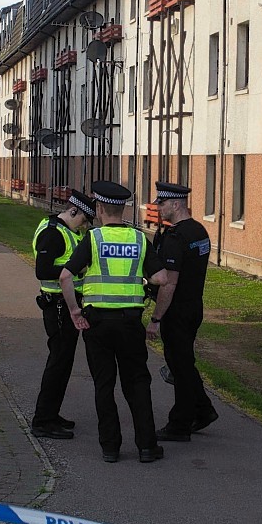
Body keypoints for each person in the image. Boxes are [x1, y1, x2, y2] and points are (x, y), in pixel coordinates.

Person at [60, 180, 169, 464]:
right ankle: (147, 446)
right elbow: (161, 278)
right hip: (130, 323)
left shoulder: (93, 239)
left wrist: (75, 312)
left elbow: (65, 276)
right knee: (137, 383)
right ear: (123, 209)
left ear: (99, 208)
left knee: (103, 384)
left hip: (97, 323)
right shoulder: (139, 239)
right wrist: (141, 281)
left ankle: (110, 447)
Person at [147, 179, 219, 442]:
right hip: (193, 306)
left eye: (162, 203)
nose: (159, 207)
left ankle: (179, 424)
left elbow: (170, 283)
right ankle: (203, 410)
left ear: (176, 204)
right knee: (184, 363)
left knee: (180, 367)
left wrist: (156, 318)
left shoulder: (175, 237)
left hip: (176, 310)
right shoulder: (199, 231)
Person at [30, 189, 96, 441]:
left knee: (64, 361)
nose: (84, 225)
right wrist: (75, 270)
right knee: (58, 362)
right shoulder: (52, 233)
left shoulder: (66, 231)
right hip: (57, 305)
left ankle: (51, 414)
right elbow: (43, 270)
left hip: (64, 303)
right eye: (84, 219)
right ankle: (43, 421)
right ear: (73, 210)